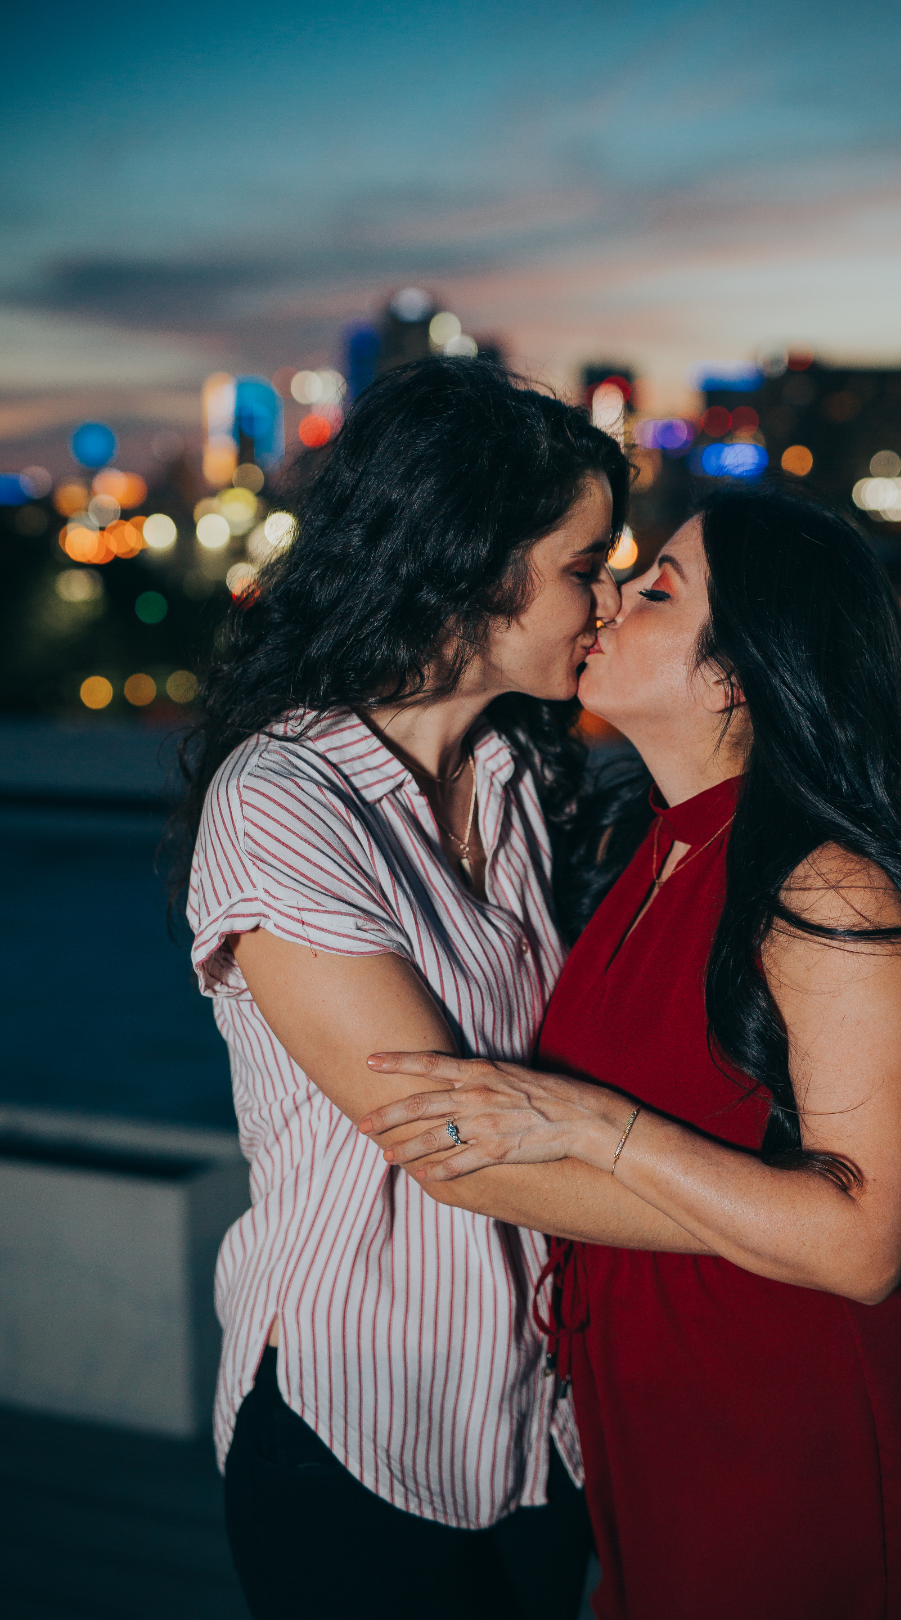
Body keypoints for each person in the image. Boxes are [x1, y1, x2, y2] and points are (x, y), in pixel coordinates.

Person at [358, 484, 901, 1619]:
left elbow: (863, 1245)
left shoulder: (825, 885)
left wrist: (594, 1128)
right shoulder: (646, 856)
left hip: (796, 1444)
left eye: (657, 589)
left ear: (736, 674)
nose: (608, 600)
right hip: (657, 1421)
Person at [173, 356, 719, 1620]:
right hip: (354, 1423)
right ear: (477, 563)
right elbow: (453, 1147)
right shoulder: (281, 799)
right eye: (586, 566)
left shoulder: (519, 780)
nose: (608, 598)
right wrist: (784, 1231)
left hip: (537, 1417)